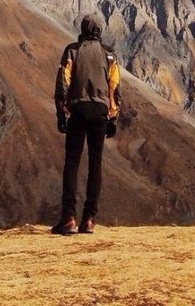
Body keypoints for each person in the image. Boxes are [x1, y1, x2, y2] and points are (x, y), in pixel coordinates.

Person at [51, 13, 121, 235]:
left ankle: (68, 218)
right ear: (100, 31)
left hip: (78, 111)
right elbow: (115, 87)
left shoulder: (72, 50)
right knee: (95, 164)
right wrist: (113, 116)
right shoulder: (109, 54)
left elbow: (63, 82)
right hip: (100, 112)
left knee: (72, 163)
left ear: (82, 28)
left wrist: (61, 114)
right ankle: (89, 219)